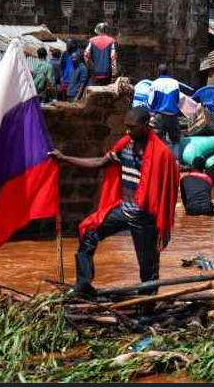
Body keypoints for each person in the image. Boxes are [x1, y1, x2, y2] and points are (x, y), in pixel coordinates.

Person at [50, 107, 180, 296]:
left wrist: (163, 226)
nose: (128, 131)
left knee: (149, 269)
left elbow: (168, 191)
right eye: (126, 127)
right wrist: (64, 158)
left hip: (145, 217)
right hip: (124, 210)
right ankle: (83, 285)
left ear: (145, 126)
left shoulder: (162, 154)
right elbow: (100, 163)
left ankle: (146, 308)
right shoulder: (125, 145)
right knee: (88, 231)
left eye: (132, 127)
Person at [148, 64, 182, 159]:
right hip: (172, 115)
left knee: (157, 139)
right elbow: (177, 100)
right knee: (175, 139)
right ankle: (176, 162)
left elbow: (150, 102)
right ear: (168, 72)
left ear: (158, 72)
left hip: (159, 115)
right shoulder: (175, 83)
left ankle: (157, 160)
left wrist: (151, 114)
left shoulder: (154, 83)